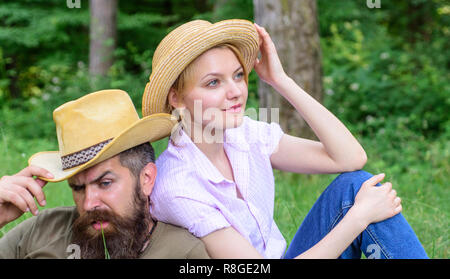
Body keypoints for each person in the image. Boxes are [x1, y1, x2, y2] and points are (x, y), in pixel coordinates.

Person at [141, 19, 428, 259]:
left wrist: (281, 81)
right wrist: (358, 219)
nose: (235, 92)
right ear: (176, 98)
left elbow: (349, 158)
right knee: (358, 203)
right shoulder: (177, 186)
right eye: (213, 82)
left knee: (354, 185)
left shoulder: (245, 135)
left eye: (239, 76)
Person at [0, 89, 209, 259]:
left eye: (105, 183)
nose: (89, 203)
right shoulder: (42, 231)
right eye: (78, 187)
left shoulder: (184, 253)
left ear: (146, 179)